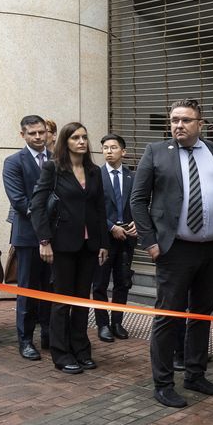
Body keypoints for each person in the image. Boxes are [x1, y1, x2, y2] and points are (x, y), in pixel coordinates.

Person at [130, 99, 213, 407]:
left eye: (186, 120)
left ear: (200, 124)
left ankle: (195, 373)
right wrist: (150, 242)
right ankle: (163, 383)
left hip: (212, 249)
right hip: (174, 250)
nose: (179, 125)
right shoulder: (156, 152)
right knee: (169, 316)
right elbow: (138, 201)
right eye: (175, 119)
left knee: (202, 314)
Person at [30, 122, 109, 375]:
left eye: (85, 137)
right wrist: (44, 240)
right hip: (62, 244)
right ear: (66, 142)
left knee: (82, 301)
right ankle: (61, 353)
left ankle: (81, 349)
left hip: (89, 245)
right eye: (75, 137)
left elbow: (100, 209)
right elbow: (38, 205)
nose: (82, 141)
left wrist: (103, 243)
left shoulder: (94, 171)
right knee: (62, 301)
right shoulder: (52, 168)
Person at [2, 115, 53, 361]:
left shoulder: (57, 160)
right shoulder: (13, 162)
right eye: (32, 133)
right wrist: (47, 216)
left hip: (56, 237)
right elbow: (20, 201)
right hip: (28, 237)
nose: (38, 137)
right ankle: (25, 340)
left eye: (41, 132)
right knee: (28, 290)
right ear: (22, 135)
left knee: (50, 288)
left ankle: (49, 336)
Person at [92, 133, 136, 342]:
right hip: (104, 238)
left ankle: (117, 322)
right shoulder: (95, 175)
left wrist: (138, 223)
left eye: (113, 147)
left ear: (123, 151)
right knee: (100, 283)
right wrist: (111, 227)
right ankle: (102, 325)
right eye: (105, 148)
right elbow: (91, 208)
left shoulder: (132, 176)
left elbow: (140, 203)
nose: (109, 151)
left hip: (128, 237)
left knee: (122, 282)